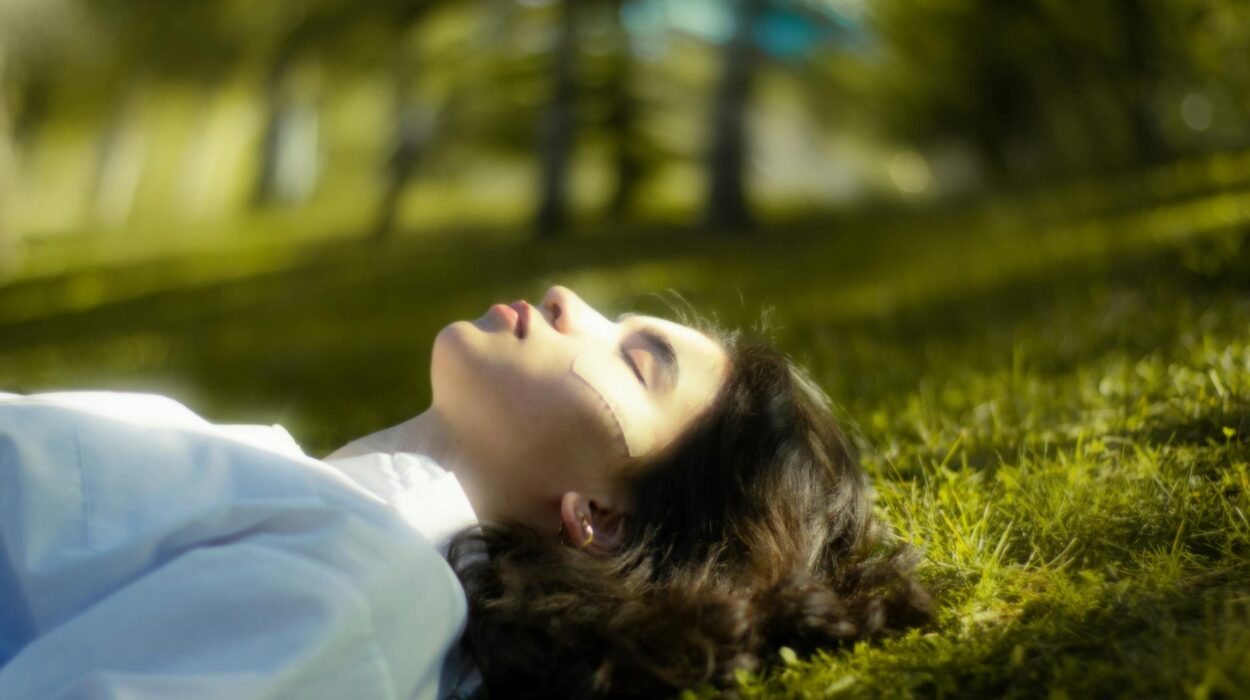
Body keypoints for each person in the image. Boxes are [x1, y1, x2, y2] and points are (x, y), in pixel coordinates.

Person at [0, 284, 932, 699]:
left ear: (600, 520)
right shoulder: (337, 517)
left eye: (634, 361)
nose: (567, 300)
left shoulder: (367, 586)